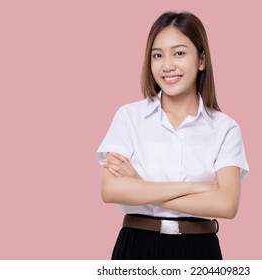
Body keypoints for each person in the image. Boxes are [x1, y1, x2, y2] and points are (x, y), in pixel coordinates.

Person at [97, 11, 249, 260]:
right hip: (137, 246)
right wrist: (195, 188)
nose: (167, 65)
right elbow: (111, 190)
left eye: (179, 53)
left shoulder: (225, 128)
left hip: (200, 249)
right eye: (158, 55)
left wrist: (141, 187)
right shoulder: (129, 117)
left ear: (201, 60)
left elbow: (226, 205)